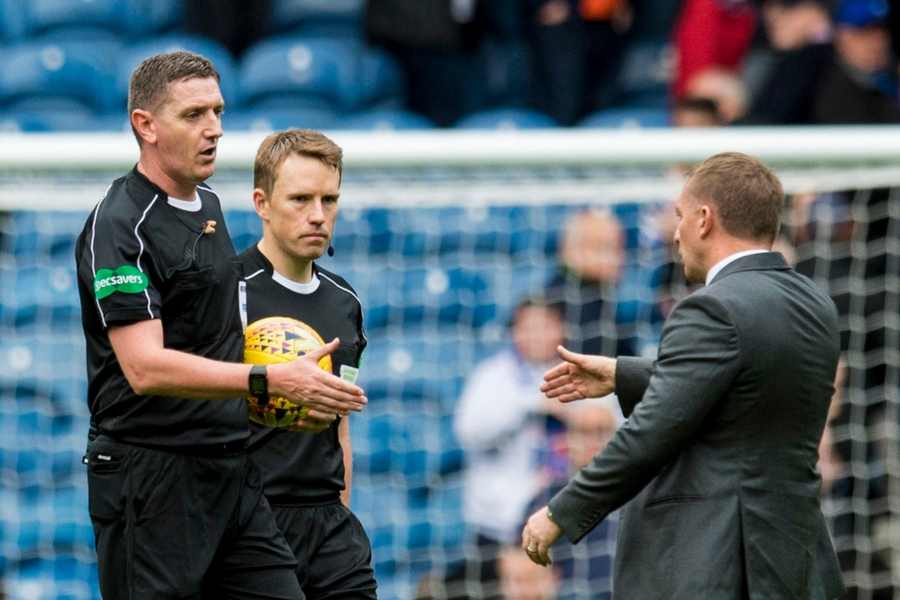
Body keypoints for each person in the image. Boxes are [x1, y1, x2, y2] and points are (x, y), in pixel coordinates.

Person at [75, 52, 366, 599]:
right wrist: (269, 380)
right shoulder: (120, 224)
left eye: (218, 112)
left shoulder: (207, 203)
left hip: (231, 475)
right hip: (151, 477)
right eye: (194, 116)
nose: (215, 129)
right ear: (146, 126)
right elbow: (143, 367)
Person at [522, 152, 846, 600]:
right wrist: (624, 374)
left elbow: (652, 431)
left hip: (720, 562)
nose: (673, 233)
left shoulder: (710, 307)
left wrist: (561, 513)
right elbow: (744, 384)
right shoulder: (815, 305)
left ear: (704, 219)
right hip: (799, 561)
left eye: (679, 216)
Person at [239, 128, 378, 598]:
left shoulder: (346, 302)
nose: (318, 215)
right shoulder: (226, 291)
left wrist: (342, 512)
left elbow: (339, 423)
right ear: (262, 203)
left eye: (329, 200)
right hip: (249, 522)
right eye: (300, 199)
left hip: (329, 527)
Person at [453, 297, 570, 599]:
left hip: (562, 517)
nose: (537, 335)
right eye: (527, 327)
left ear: (561, 329)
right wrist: (531, 403)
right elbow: (469, 431)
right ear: (514, 332)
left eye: (545, 326)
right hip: (497, 527)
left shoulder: (579, 373)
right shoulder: (492, 377)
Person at [521, 398, 622, 600]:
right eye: (585, 431)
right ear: (567, 438)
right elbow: (519, 563)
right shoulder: (546, 498)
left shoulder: (637, 494)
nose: (593, 441)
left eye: (601, 431)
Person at [545, 210, 637, 358]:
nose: (619, 258)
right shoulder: (565, 305)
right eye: (606, 247)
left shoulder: (596, 298)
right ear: (570, 249)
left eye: (621, 248)